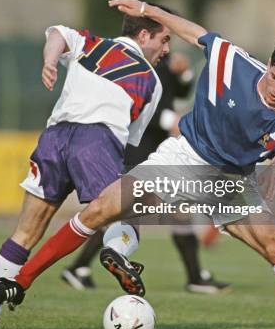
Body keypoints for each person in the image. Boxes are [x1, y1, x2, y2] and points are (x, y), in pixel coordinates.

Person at [0, 0, 275, 329]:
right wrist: (149, 12)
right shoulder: (233, 61)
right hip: (183, 157)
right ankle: (19, 283)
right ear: (269, 64)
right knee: (100, 210)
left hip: (230, 180)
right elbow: (194, 33)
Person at [0, 5, 172, 329]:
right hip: (97, 141)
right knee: (124, 211)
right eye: (165, 39)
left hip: (54, 137)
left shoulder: (91, 42)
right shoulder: (151, 81)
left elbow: (56, 34)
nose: (166, 49)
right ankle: (116, 252)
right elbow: (131, 139)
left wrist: (48, 62)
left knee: (25, 232)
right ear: (144, 35)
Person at [61, 52, 230, 293]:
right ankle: (78, 267)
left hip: (156, 150)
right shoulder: (138, 59)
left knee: (169, 211)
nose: (167, 44)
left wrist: (184, 75)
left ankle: (195, 276)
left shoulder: (163, 58)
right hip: (140, 149)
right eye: (164, 36)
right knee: (122, 213)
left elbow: (178, 94)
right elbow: (138, 107)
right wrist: (173, 120)